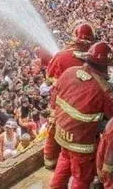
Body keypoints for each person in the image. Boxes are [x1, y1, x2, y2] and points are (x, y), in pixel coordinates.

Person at [49, 41, 113, 189]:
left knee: (64, 160)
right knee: (82, 176)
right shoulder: (102, 88)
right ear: (103, 66)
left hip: (62, 134)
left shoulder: (69, 72)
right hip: (81, 143)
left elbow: (53, 99)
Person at [44, 23, 95, 169]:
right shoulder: (95, 58)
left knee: (53, 130)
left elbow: (48, 79)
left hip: (60, 103)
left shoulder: (61, 56)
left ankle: (50, 161)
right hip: (84, 107)